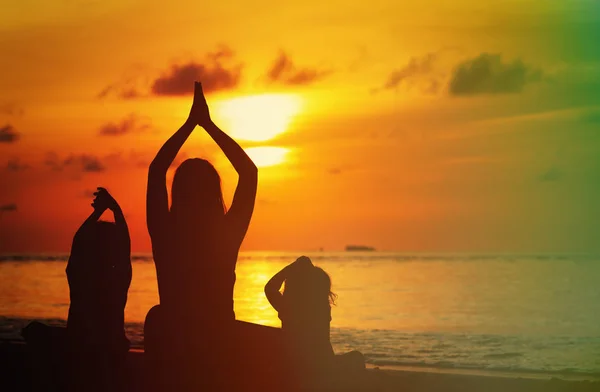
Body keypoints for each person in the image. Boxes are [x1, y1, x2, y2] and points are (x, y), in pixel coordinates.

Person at [144, 81, 258, 390]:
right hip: (218, 352)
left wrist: (189, 126)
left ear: (177, 193)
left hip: (172, 352)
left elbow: (156, 171)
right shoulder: (225, 236)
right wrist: (207, 125)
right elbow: (249, 173)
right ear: (213, 193)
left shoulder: (165, 235)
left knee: (155, 317)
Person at [22, 187, 132, 392]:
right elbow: (124, 245)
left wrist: (97, 212)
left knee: (34, 331)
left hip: (79, 347)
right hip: (110, 349)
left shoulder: (80, 276)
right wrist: (115, 209)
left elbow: (78, 241)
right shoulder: (119, 279)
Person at [265, 256, 365, 390]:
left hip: (297, 366)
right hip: (322, 366)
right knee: (357, 358)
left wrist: (290, 268)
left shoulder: (287, 307)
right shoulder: (322, 308)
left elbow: (270, 288)